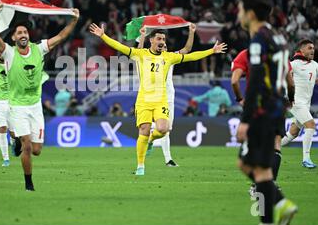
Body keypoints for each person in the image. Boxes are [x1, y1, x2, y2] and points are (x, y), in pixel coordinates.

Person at [88, 22, 226, 176]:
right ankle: (140, 167)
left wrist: (211, 51)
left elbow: (191, 55)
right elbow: (120, 46)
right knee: (144, 130)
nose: (162, 42)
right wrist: (103, 36)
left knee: (163, 129)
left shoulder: (169, 57)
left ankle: (151, 141)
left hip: (161, 100)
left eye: (164, 40)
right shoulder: (140, 54)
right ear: (151, 40)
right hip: (143, 100)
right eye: (159, 39)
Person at [0, 2, 79, 191]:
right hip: (17, 107)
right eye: (19, 33)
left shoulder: (39, 49)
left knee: (36, 150)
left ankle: (17, 144)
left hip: (35, 107)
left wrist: (73, 20)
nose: (23, 35)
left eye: (25, 32)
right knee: (27, 147)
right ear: (13, 37)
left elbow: (61, 36)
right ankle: (28, 183)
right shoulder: (9, 53)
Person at [236, 0, 297, 225]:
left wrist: (246, 118)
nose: (238, 13)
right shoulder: (278, 36)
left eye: (241, 9)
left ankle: (277, 209)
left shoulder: (258, 39)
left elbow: (255, 80)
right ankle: (273, 216)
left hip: (263, 109)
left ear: (250, 13)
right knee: (256, 166)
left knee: (249, 164)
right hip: (277, 106)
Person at [231, 47, 294, 189]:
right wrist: (291, 99)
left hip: (256, 105)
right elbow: (290, 83)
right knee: (276, 144)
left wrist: (240, 99)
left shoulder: (245, 54)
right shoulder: (281, 54)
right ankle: (271, 183)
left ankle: (259, 184)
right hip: (277, 103)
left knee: (253, 148)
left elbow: (234, 81)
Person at [137, 24, 196, 167]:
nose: (162, 45)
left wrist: (191, 32)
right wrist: (143, 36)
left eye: (164, 43)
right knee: (145, 128)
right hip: (148, 96)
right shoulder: (146, 57)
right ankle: (161, 159)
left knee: (166, 129)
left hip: (167, 96)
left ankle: (162, 153)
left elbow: (187, 50)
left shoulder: (170, 58)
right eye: (159, 42)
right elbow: (138, 52)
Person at [281, 39, 318, 168]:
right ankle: (306, 159)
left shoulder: (315, 65)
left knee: (293, 133)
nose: (312, 50)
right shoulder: (294, 64)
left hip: (305, 104)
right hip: (295, 102)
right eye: (309, 48)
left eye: (313, 48)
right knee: (311, 125)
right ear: (301, 50)